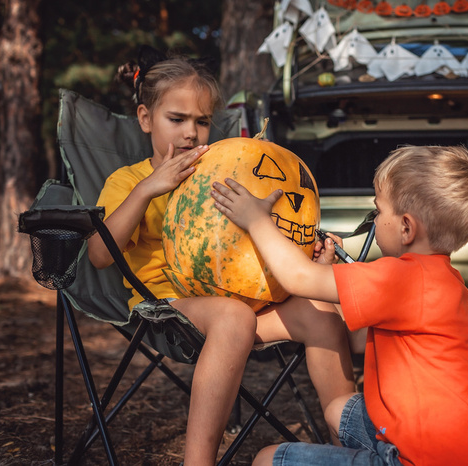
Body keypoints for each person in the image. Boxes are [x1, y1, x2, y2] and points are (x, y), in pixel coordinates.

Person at [87, 47, 355, 466]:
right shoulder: (130, 180)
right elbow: (100, 255)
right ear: (145, 119)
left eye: (202, 121)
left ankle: (351, 443)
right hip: (166, 311)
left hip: (246, 303)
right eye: (176, 119)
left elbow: (259, 240)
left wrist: (310, 252)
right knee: (233, 317)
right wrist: (147, 191)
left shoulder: (227, 173)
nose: (191, 133)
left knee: (320, 307)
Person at [212, 145, 468, 466]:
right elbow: (358, 339)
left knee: (266, 460)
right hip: (463, 452)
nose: (375, 218)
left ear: (407, 228)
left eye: (379, 211)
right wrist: (329, 273)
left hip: (416, 459)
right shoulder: (441, 281)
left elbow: (298, 278)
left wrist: (257, 220)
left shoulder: (402, 279)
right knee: (338, 409)